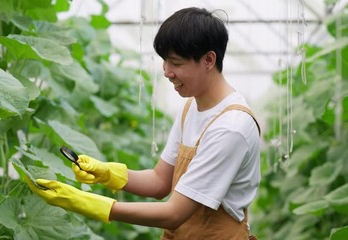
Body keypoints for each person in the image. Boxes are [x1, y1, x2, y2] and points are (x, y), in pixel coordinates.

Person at [27, 7, 261, 240]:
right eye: (165, 62)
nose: (167, 72)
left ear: (209, 60)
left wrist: (87, 203)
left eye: (176, 63)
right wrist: (107, 172)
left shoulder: (231, 128)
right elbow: (160, 181)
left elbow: (173, 213)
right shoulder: (191, 107)